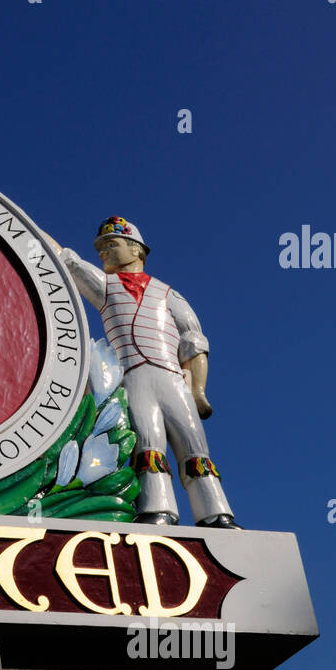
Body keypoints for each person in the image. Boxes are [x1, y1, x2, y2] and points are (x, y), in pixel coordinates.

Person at [52, 216, 239, 527]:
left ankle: (214, 513)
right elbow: (68, 261)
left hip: (171, 376)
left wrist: (198, 389)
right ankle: (158, 509)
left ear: (136, 249)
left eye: (112, 245)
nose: (103, 253)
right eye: (101, 248)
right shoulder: (106, 287)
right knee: (147, 442)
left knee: (193, 444)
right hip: (133, 375)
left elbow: (193, 339)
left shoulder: (167, 294)